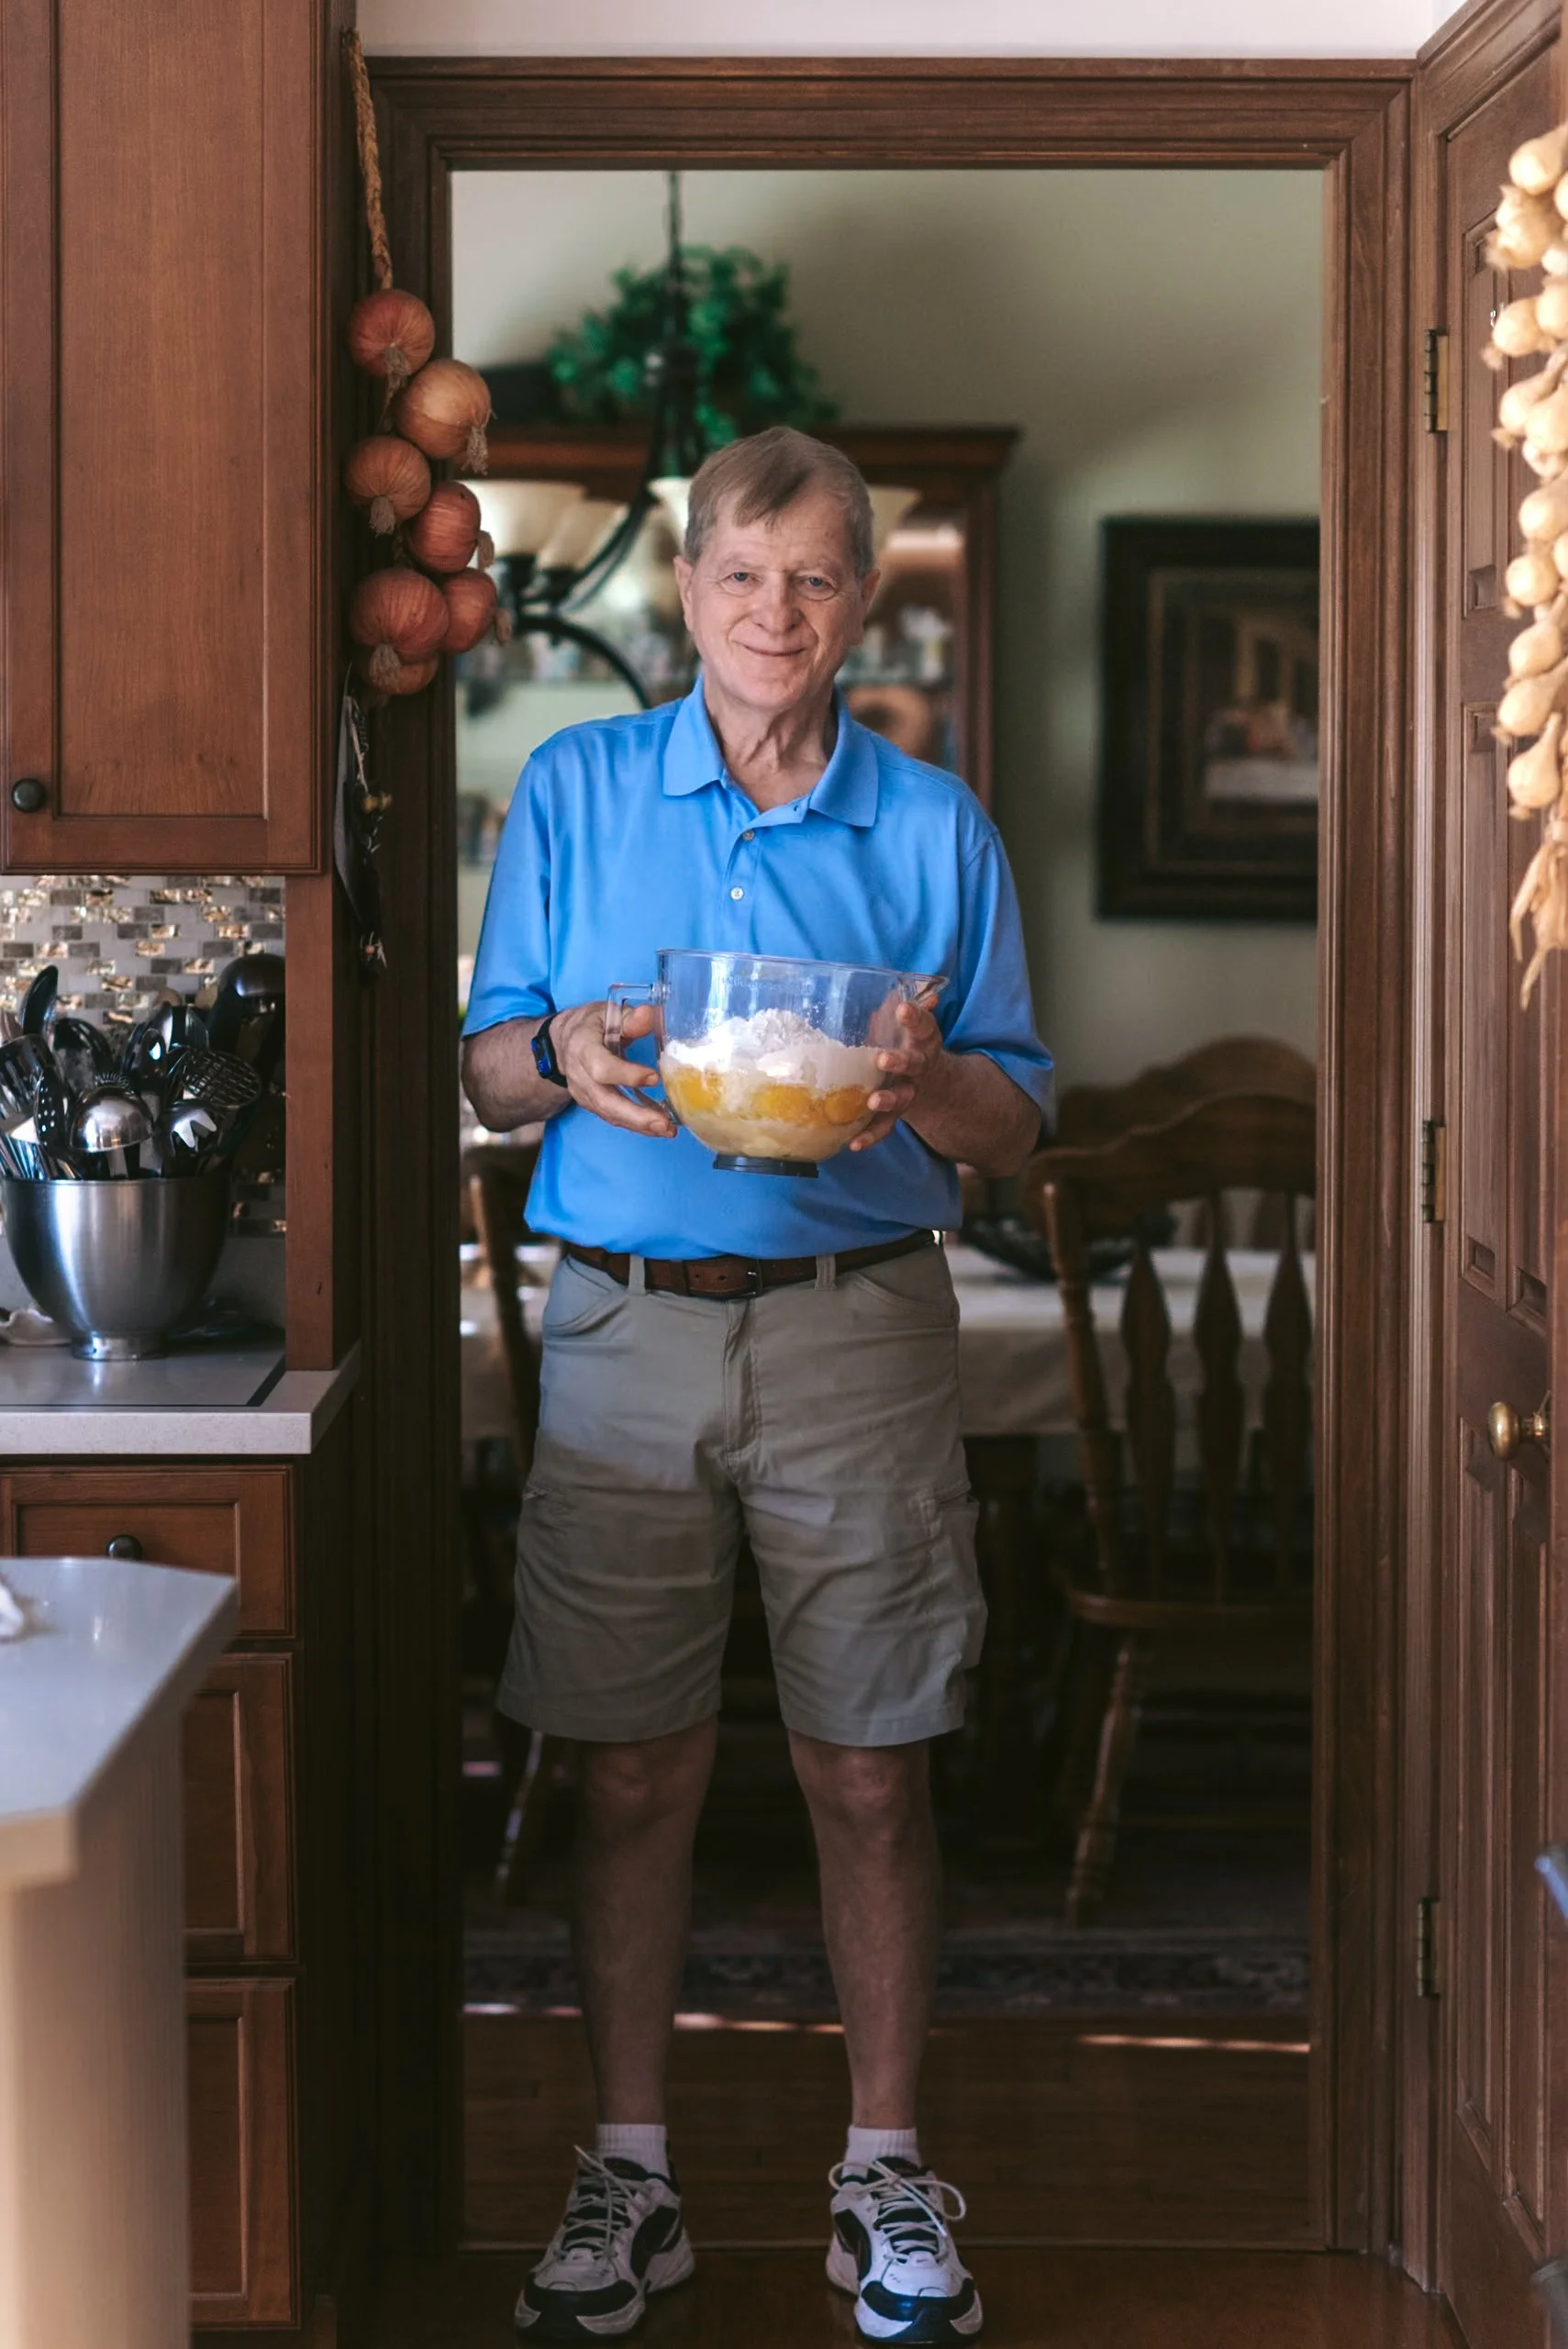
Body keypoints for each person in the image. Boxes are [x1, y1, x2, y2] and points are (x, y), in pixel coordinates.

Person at [462, 425, 1052, 2345]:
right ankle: (627, 2172)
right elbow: (484, 1065)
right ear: (686, 589)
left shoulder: (933, 827)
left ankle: (883, 2170)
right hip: (624, 1316)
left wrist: (922, 1080)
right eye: (738, 573)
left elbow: (1017, 1125)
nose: (771, 612)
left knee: (866, 1765)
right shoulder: (570, 787)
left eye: (811, 577)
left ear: (861, 595)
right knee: (625, 1762)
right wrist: (560, 1044)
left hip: (858, 1311)